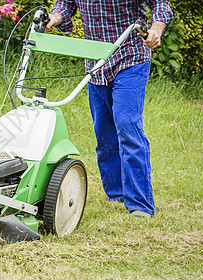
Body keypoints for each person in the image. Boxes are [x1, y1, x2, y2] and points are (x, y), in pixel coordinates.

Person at [46, 0, 173, 217]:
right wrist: (55, 17)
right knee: (103, 132)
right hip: (96, 63)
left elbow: (161, 3)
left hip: (131, 57)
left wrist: (156, 29)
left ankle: (140, 204)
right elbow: (66, 4)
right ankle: (116, 194)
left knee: (126, 124)